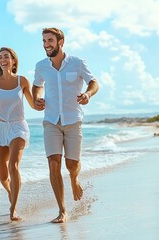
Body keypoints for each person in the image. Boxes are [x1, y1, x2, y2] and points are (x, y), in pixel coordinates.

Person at [32, 27, 100, 223]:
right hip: (51, 120)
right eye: (44, 41)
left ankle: (74, 178)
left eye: (50, 40)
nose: (46, 44)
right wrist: (37, 98)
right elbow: (37, 86)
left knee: (72, 165)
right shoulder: (41, 66)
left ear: (61, 42)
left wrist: (87, 94)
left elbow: (94, 82)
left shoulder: (77, 63)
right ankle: (62, 210)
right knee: (53, 164)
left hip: (73, 120)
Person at [0, 47, 34, 221]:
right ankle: (12, 193)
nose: (3, 59)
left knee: (14, 166)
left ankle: (13, 208)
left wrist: (43, 103)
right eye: (1, 57)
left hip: (18, 127)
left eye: (6, 57)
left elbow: (33, 104)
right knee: (3, 176)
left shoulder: (22, 81)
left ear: (13, 61)